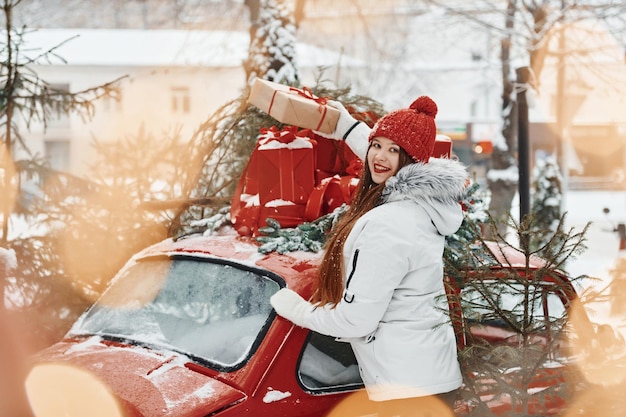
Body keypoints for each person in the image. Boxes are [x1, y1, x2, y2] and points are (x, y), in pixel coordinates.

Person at [270, 96, 468, 416]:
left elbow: (355, 321)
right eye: (377, 144)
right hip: (430, 377)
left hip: (406, 393)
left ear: (411, 162)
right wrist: (346, 127)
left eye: (394, 150)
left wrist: (297, 310)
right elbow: (386, 159)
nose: (380, 156)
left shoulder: (387, 227)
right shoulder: (426, 200)